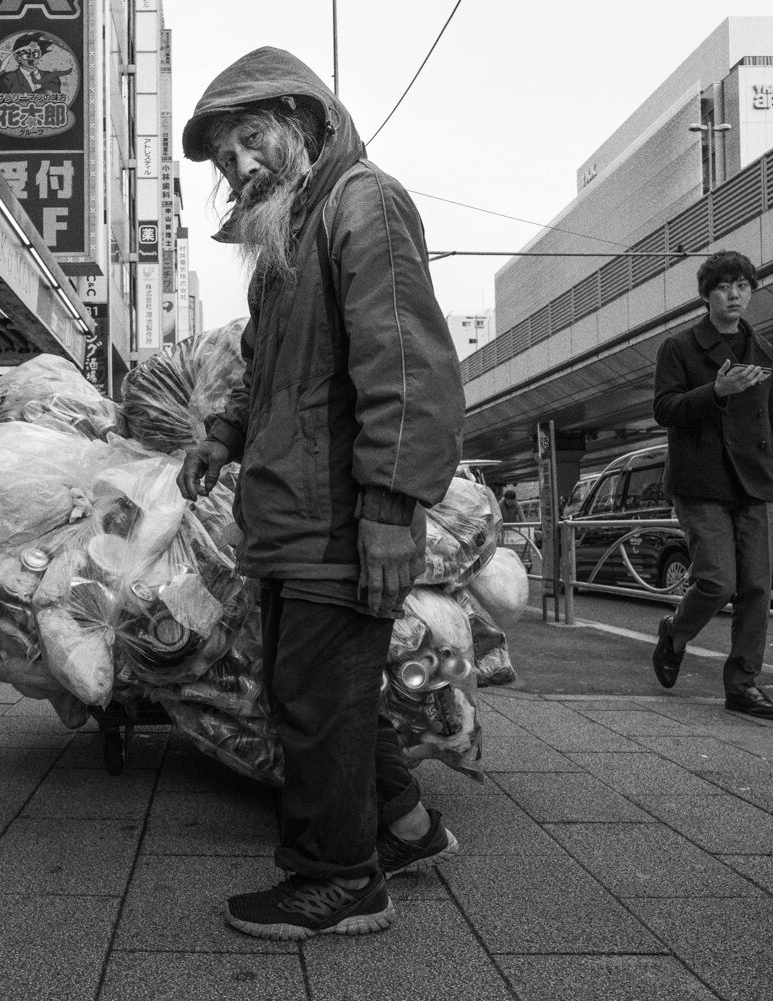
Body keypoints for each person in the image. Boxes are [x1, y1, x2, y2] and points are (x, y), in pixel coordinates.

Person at [176, 47, 466, 940]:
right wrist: (224, 434)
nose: (240, 167)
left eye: (251, 141)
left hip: (341, 516)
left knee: (316, 699)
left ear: (305, 121)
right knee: (323, 694)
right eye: (226, 160)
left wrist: (390, 510)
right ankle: (407, 831)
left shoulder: (361, 203)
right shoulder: (288, 235)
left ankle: (340, 880)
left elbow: (407, 367)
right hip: (295, 512)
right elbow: (265, 364)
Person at [651, 250, 773, 721]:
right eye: (723, 287)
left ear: (752, 291)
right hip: (701, 481)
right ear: (707, 295)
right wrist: (717, 392)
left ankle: (743, 684)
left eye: (743, 286)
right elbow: (664, 409)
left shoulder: (764, 349)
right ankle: (675, 632)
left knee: (756, 587)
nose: (734, 295)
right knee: (717, 581)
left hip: (755, 482)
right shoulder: (680, 347)